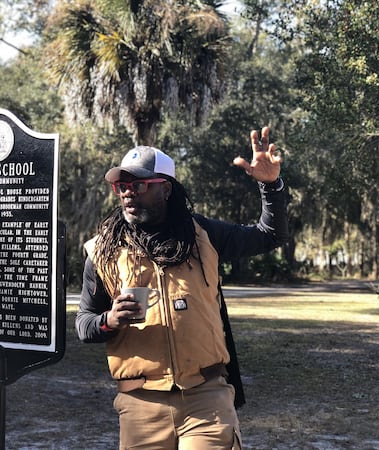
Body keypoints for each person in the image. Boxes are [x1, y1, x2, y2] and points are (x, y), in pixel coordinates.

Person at [76, 127, 289, 449]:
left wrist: (270, 185)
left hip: (206, 397)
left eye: (139, 185)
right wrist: (110, 320)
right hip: (139, 403)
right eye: (121, 186)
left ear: (166, 190)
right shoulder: (102, 250)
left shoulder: (204, 235)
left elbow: (269, 235)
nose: (127, 193)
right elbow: (84, 323)